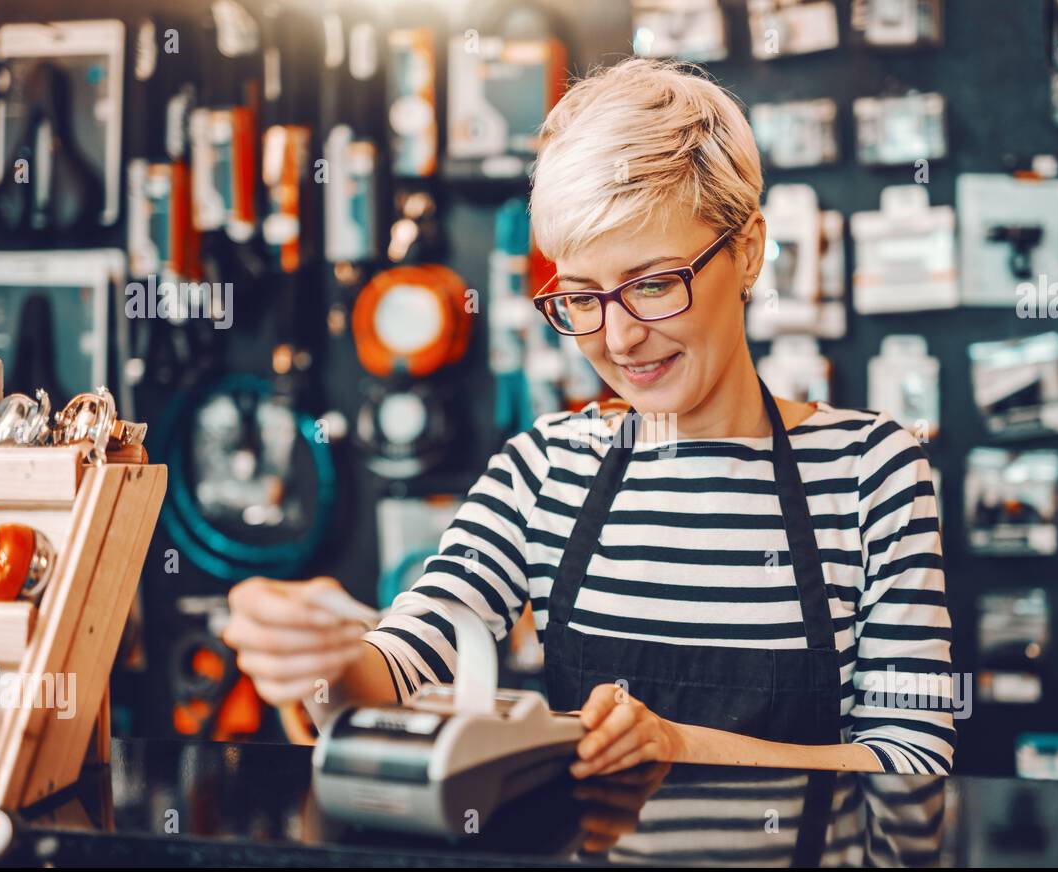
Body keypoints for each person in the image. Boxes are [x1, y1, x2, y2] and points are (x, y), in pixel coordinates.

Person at [224, 57, 956, 778]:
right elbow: (403, 667)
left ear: (750, 252)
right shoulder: (545, 468)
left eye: (653, 284)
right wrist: (324, 657)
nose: (618, 336)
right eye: (581, 296)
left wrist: (677, 746)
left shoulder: (872, 471)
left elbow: (912, 764)